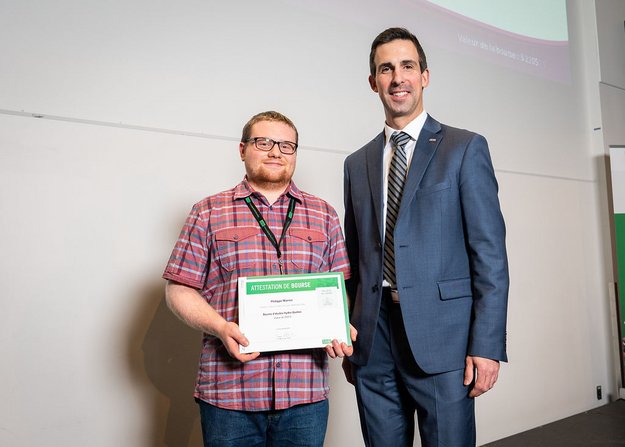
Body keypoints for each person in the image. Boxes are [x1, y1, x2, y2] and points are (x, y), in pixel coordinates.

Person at [342, 27, 509, 447]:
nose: (398, 77)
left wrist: (486, 345)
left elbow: (489, 255)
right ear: (373, 82)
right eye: (386, 69)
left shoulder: (464, 148)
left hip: (445, 341)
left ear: (425, 76)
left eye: (407, 66)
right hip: (373, 341)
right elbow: (354, 257)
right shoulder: (356, 163)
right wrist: (345, 327)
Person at [163, 110, 354, 447]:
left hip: (304, 394)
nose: (276, 152)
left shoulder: (323, 214)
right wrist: (222, 328)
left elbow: (338, 287)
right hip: (230, 395)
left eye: (286, 145)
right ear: (242, 149)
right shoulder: (208, 211)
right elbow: (179, 289)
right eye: (263, 142)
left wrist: (340, 322)